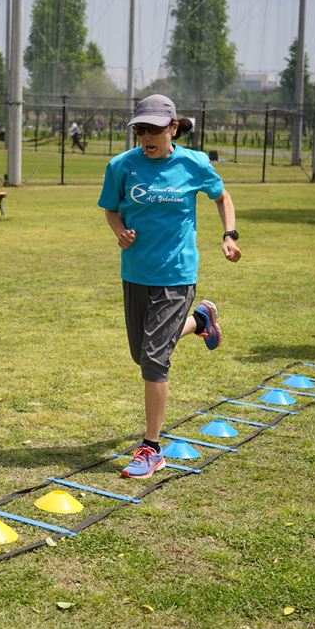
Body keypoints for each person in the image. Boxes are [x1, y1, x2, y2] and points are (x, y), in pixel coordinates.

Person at [98, 94, 242, 479]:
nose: (146, 136)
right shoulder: (121, 166)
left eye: (154, 129)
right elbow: (111, 209)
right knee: (142, 353)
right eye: (140, 130)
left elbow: (222, 196)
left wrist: (229, 235)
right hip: (136, 273)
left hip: (177, 274)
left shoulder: (194, 163)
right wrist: (119, 231)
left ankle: (151, 448)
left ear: (173, 128)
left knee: (153, 359)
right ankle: (201, 320)